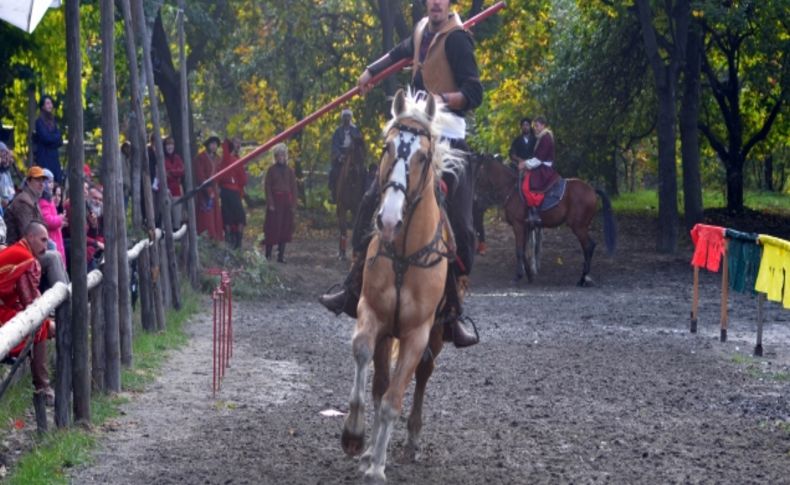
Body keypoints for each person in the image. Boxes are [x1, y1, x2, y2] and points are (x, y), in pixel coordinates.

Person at [320, 0, 483, 348]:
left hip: (448, 139)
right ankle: (353, 287)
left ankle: (452, 309)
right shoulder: (423, 29)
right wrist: (369, 69)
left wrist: (442, 99)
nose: (436, 4)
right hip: (412, 130)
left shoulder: (458, 40)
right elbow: (399, 52)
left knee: (463, 226)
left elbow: (474, 93)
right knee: (369, 197)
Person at [0, 222, 56, 405]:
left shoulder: (19, 252)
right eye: (42, 240)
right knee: (39, 326)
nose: (45, 246)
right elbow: (30, 304)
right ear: (30, 237)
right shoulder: (26, 258)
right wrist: (48, 322)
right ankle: (43, 387)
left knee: (42, 324)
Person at [520, 116, 559, 225]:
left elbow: (539, 159)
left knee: (526, 186)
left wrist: (524, 164)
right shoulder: (543, 137)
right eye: (534, 126)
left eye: (537, 126)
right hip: (542, 166)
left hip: (544, 168)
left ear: (543, 125)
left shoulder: (545, 137)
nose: (535, 128)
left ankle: (535, 211)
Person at [262, 143, 298, 263]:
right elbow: (267, 187)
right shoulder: (271, 170)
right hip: (275, 201)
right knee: (272, 227)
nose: (281, 157)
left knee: (285, 228)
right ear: (275, 156)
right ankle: (267, 254)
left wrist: (293, 204)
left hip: (286, 202)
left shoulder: (290, 171)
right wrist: (270, 203)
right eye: (278, 155)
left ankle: (280, 256)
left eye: (283, 155)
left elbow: (294, 188)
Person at [217, 136, 248, 250]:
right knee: (238, 217)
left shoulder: (227, 160)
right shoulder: (230, 159)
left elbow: (242, 180)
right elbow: (243, 180)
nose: (238, 146)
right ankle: (236, 242)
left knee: (229, 216)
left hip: (228, 191)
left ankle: (232, 240)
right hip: (232, 191)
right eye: (236, 143)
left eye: (240, 143)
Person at [328, 108, 363, 203]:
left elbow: (360, 143)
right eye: (344, 117)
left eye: (348, 117)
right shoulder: (337, 131)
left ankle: (364, 194)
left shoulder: (356, 130)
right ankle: (333, 193)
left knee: (363, 172)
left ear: (351, 118)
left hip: (353, 154)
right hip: (341, 154)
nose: (346, 119)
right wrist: (339, 156)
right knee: (333, 172)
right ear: (342, 118)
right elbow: (334, 145)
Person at [194, 135, 224, 241]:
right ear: (207, 145)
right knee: (206, 215)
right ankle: (206, 236)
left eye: (215, 144)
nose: (214, 146)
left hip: (215, 189)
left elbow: (220, 174)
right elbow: (200, 175)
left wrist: (218, 187)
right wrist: (208, 190)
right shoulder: (201, 157)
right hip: (204, 190)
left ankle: (216, 237)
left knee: (215, 214)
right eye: (212, 144)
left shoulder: (218, 158)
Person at [32, 95, 64, 185]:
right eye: (47, 103)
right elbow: (46, 138)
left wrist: (52, 140)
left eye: (51, 103)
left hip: (54, 157)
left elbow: (60, 139)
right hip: (44, 157)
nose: (50, 105)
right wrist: (54, 140)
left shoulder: (54, 121)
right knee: (47, 182)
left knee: (57, 183)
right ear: (43, 106)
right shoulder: (39, 122)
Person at [38, 169, 66, 263]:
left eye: (52, 182)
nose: (51, 185)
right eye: (49, 182)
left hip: (56, 236)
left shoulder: (49, 201)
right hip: (51, 237)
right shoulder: (43, 202)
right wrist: (60, 218)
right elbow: (48, 221)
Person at [163, 136, 185, 229]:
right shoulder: (162, 158)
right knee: (166, 213)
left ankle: (177, 231)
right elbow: (162, 173)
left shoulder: (177, 158)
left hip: (176, 189)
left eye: (171, 144)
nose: (170, 147)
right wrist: (176, 172)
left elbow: (182, 171)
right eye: (168, 145)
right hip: (166, 189)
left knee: (177, 214)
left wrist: (171, 172)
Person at [0, 142, 19, 208]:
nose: (4, 158)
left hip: (9, 203)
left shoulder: (6, 171)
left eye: (5, 155)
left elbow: (10, 189)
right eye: (2, 155)